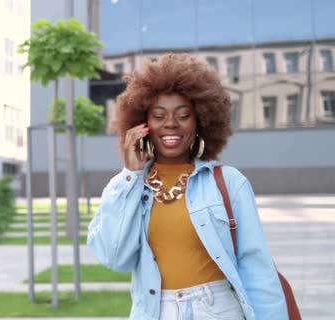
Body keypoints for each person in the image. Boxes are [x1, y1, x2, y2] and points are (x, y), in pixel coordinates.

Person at [87, 53, 288, 320]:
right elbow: (113, 257)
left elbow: (257, 268)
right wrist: (131, 176)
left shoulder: (229, 183)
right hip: (157, 311)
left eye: (183, 115)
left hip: (219, 310)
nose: (171, 123)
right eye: (159, 115)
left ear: (200, 122)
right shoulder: (125, 187)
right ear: (142, 124)